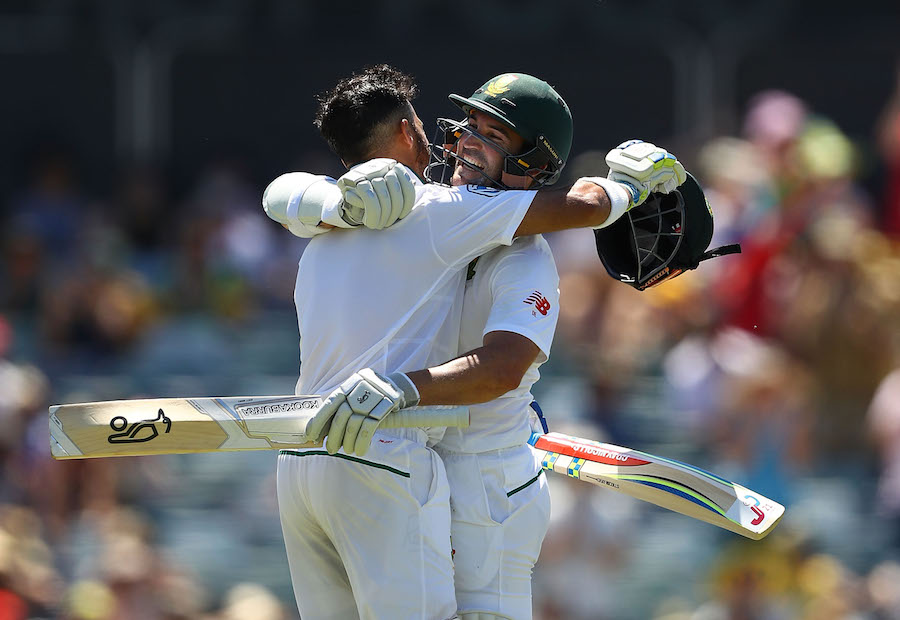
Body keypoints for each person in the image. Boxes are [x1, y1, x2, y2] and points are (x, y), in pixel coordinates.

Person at [264, 65, 685, 620]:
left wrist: (401, 389)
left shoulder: (523, 254)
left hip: (491, 484)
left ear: (532, 160)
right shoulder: (415, 207)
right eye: (468, 126)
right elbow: (282, 193)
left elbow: (503, 367)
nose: (465, 141)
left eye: (493, 135)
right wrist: (335, 196)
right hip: (407, 457)